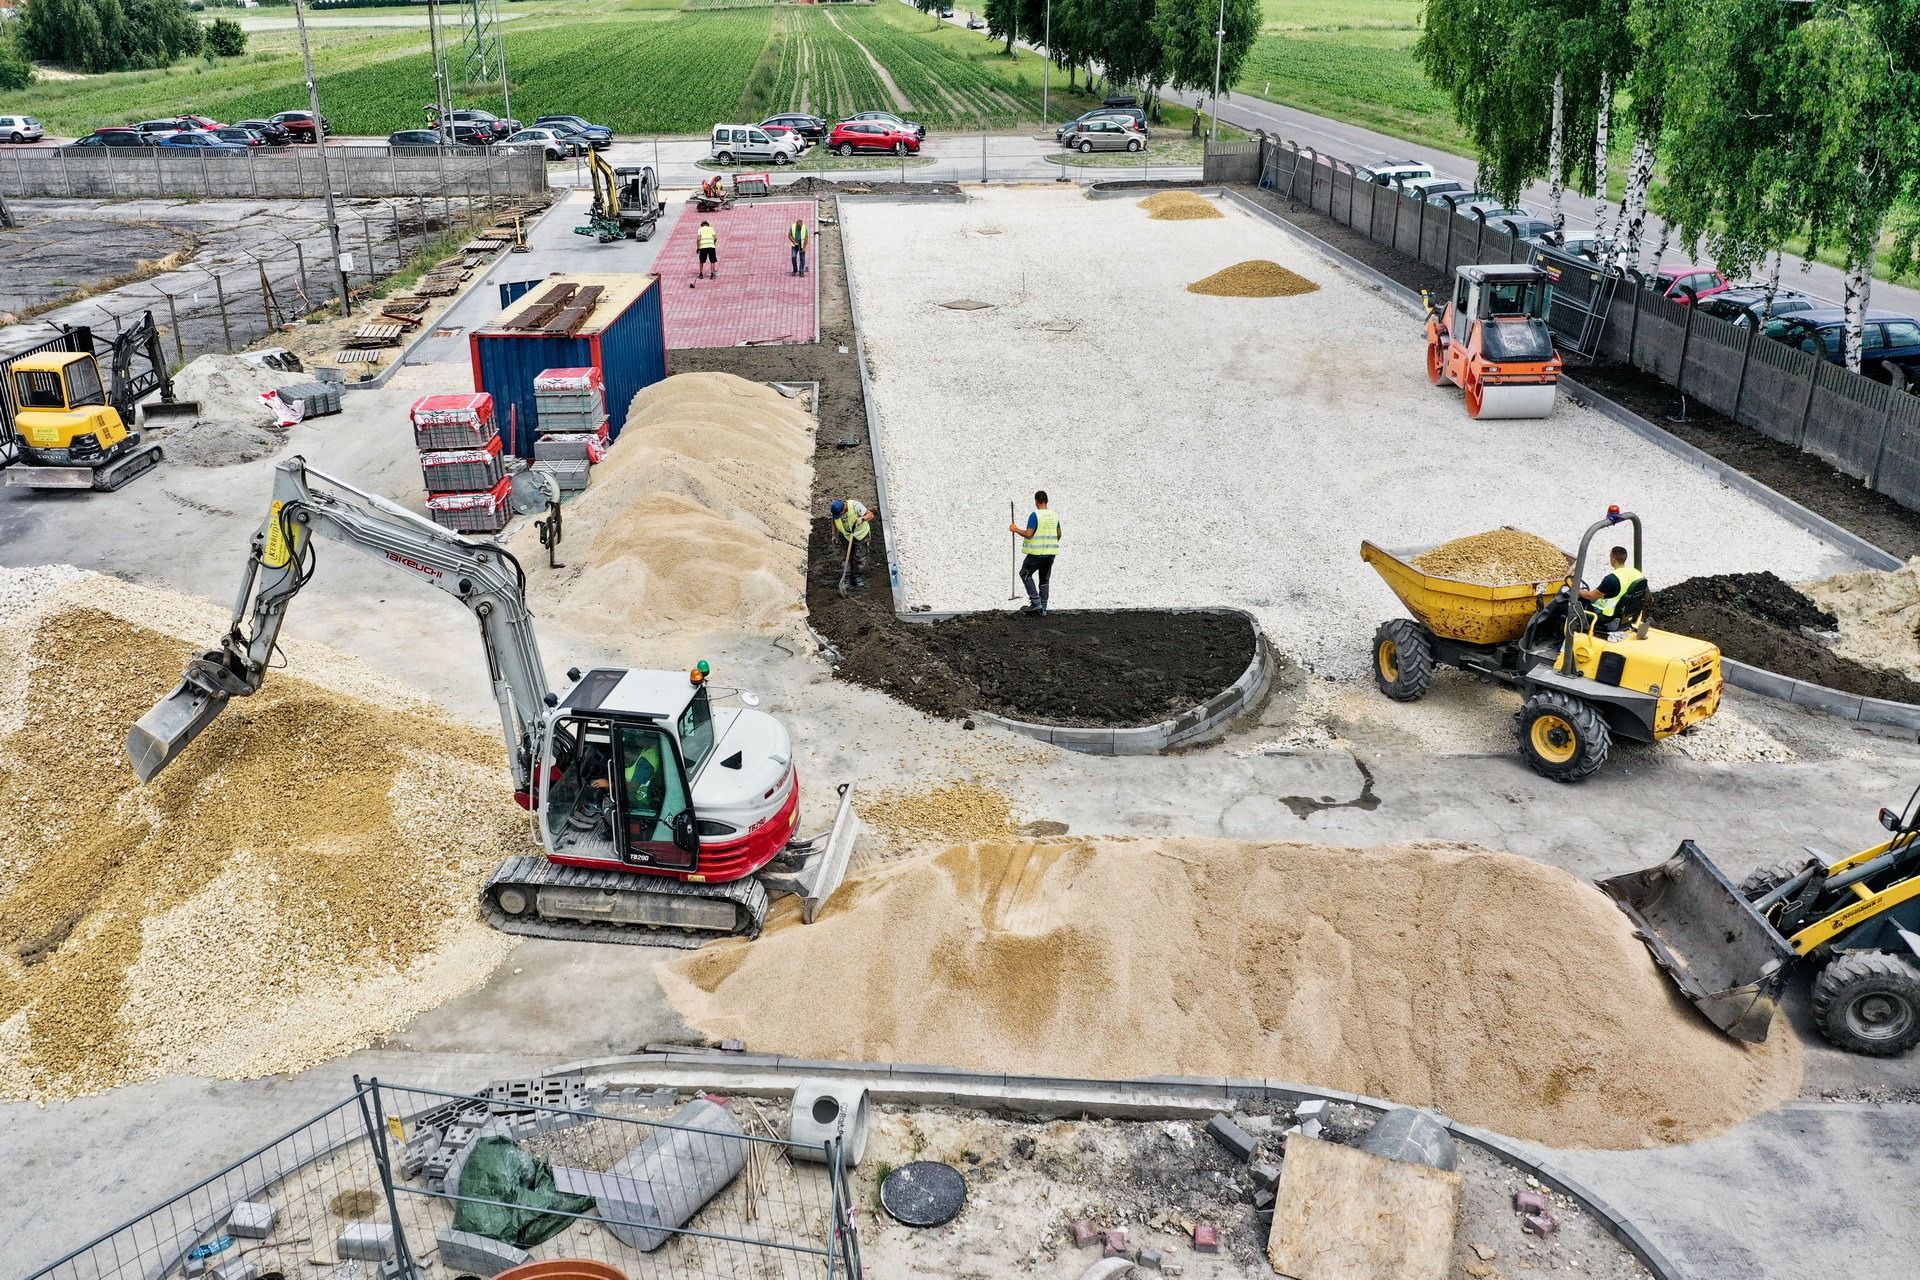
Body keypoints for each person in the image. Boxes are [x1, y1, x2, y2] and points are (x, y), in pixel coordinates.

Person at [1007, 490, 1060, 616]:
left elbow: (1028, 534)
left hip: (1036, 553)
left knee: (1025, 573)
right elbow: (1059, 534)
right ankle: (1043, 608)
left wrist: (1015, 529)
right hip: (1050, 554)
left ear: (1036, 501)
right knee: (1044, 579)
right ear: (1047, 501)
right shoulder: (1054, 515)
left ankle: (1036, 602)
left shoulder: (1035, 515)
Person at [1579, 546, 1645, 624]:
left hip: (1606, 614)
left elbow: (1591, 596)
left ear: (1613, 560)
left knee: (1571, 607)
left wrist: (1577, 590)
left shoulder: (1611, 579)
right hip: (1624, 611)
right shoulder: (1637, 574)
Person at [830, 497, 872, 588]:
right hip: (846, 536)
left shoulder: (855, 506)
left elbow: (871, 515)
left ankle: (857, 576)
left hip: (861, 536)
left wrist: (862, 519)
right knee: (845, 558)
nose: (839, 516)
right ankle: (847, 577)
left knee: (859, 557)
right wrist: (834, 534)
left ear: (844, 508)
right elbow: (834, 521)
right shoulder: (837, 512)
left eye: (840, 514)